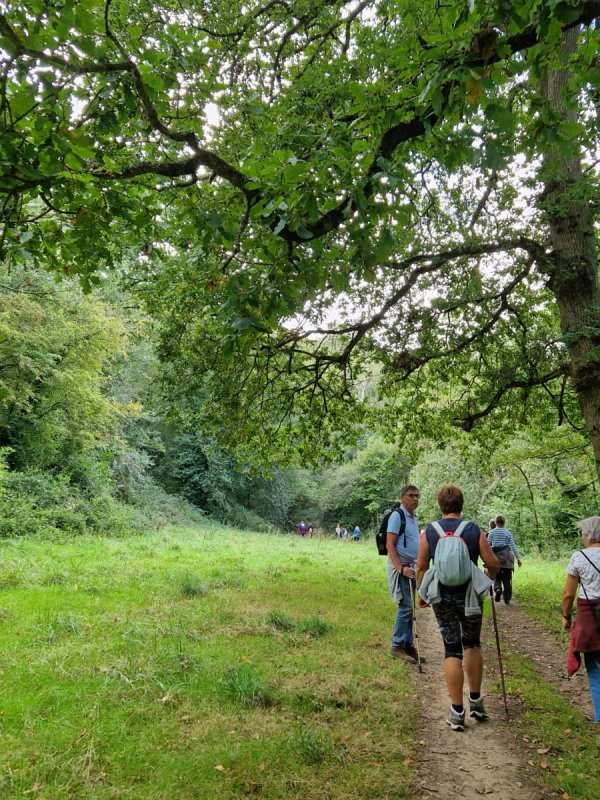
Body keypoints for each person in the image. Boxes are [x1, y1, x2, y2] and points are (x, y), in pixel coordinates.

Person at [416, 484, 499, 731]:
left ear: (440, 505)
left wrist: (422, 592)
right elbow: (493, 563)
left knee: (451, 648)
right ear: (461, 504)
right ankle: (476, 701)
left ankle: (457, 711)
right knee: (472, 643)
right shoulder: (473, 530)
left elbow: (421, 566)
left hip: (442, 597)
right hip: (471, 595)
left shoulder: (430, 531)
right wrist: (488, 577)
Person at [562, 516, 600, 723]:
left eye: (582, 533)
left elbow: (568, 594)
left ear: (587, 534)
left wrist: (566, 616)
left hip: (589, 618)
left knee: (595, 666)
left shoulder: (579, 557)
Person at [386, 484, 422, 664]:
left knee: (410, 607)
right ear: (402, 497)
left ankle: (408, 645)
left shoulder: (413, 518)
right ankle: (397, 645)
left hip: (411, 568)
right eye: (411, 495)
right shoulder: (397, 516)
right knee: (406, 606)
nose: (415, 499)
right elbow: (390, 544)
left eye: (417, 496)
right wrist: (400, 568)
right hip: (401, 568)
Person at [488, 514, 522, 605]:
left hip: (496, 560)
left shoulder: (492, 532)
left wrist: (487, 558)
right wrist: (518, 559)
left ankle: (498, 589)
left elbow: (487, 545)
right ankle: (507, 599)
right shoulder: (508, 533)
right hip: (506, 559)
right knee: (507, 580)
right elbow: (513, 546)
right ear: (504, 522)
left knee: (497, 577)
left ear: (495, 522)